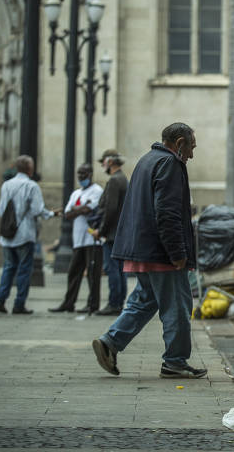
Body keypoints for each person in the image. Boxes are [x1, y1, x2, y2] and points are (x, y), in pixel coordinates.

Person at [92, 123, 206, 379]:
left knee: (145, 300)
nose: (191, 155)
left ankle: (110, 341)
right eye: (191, 148)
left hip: (143, 249)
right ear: (179, 143)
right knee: (177, 306)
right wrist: (177, 253)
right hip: (162, 253)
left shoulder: (147, 160)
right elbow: (167, 213)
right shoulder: (170, 164)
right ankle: (175, 362)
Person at [0, 155, 61, 314]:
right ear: (30, 169)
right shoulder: (32, 186)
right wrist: (51, 214)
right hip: (25, 233)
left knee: (9, 267)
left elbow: (1, 209)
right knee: (24, 269)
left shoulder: (6, 185)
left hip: (8, 234)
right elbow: (38, 210)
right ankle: (19, 304)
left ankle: (1, 299)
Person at [49, 164, 104, 314]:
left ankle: (93, 304)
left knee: (92, 273)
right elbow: (68, 214)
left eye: (84, 174)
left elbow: (88, 209)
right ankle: (68, 303)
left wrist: (77, 209)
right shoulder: (76, 193)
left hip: (92, 239)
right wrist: (78, 209)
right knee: (73, 272)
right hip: (78, 239)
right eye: (78, 174)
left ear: (91, 174)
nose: (80, 177)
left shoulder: (97, 191)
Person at [91, 149, 129, 316]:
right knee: (120, 270)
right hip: (121, 233)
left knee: (112, 268)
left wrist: (101, 230)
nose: (102, 166)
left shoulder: (114, 181)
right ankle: (118, 302)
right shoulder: (123, 179)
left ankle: (114, 303)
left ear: (110, 162)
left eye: (103, 162)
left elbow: (110, 209)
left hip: (112, 233)